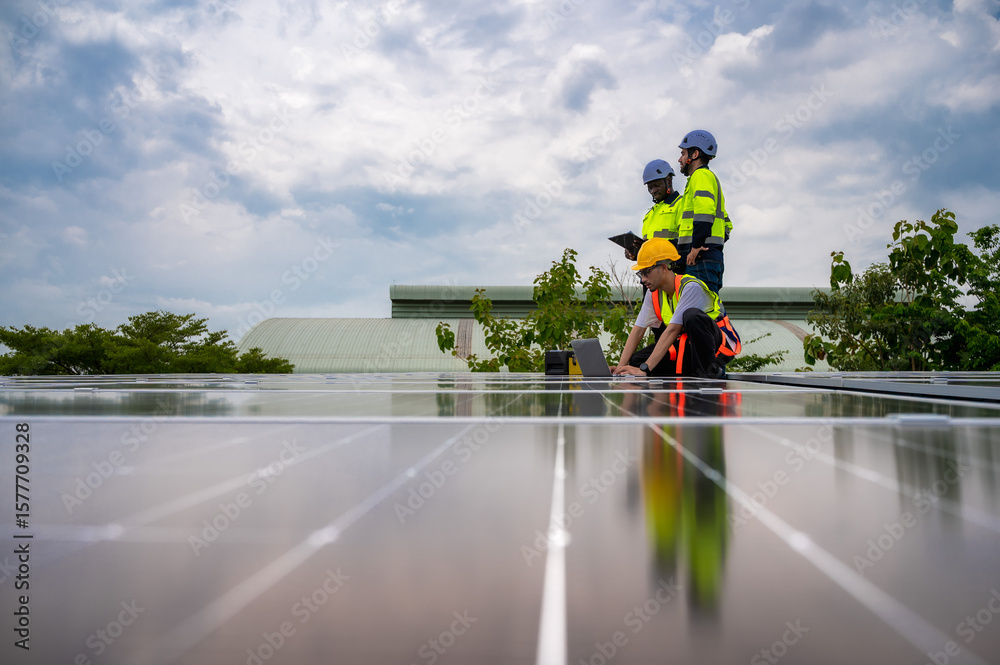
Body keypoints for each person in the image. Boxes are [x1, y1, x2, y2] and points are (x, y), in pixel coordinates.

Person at [613, 238, 741, 378]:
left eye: (646, 272)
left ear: (663, 268)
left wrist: (646, 369)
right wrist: (620, 368)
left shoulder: (690, 287)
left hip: (719, 349)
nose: (642, 279)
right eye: (641, 274)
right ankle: (681, 377)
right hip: (690, 346)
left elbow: (673, 330)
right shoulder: (654, 293)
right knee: (637, 361)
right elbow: (638, 330)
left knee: (692, 316)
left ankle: (706, 376)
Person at [676, 130, 731, 293]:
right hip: (705, 259)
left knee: (699, 314)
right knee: (702, 313)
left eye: (683, 153)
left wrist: (697, 247)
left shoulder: (700, 176)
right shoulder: (702, 178)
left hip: (700, 261)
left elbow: (704, 213)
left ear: (695, 154)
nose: (679, 159)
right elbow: (726, 228)